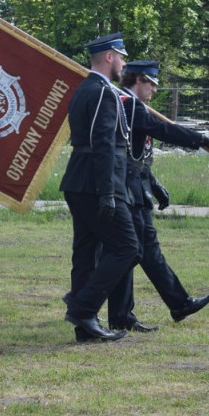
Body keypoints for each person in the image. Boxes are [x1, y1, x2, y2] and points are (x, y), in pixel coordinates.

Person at [103, 60, 209, 334]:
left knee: (144, 251)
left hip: (136, 190)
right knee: (133, 252)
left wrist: (154, 183)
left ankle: (169, 305)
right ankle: (113, 312)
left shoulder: (134, 106)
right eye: (151, 83)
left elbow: (137, 154)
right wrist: (203, 140)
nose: (154, 90)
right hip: (125, 191)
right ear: (138, 79)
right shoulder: (127, 103)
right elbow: (162, 131)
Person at [59, 33, 141, 342]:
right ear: (108, 57)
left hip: (79, 181)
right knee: (127, 246)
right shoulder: (103, 93)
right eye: (121, 56)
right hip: (96, 183)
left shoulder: (85, 89)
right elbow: (104, 144)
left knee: (86, 253)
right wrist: (109, 191)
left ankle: (86, 328)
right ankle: (82, 308)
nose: (123, 62)